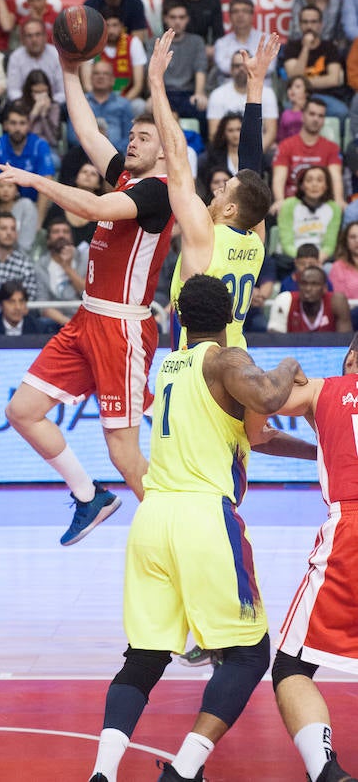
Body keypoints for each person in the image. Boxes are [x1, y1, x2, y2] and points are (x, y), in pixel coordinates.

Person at [87, 274, 306, 782]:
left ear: (178, 318)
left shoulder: (170, 367)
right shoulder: (224, 360)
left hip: (153, 518)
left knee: (144, 656)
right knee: (250, 655)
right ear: (230, 315)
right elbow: (271, 398)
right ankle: (184, 770)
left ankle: (103, 772)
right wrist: (290, 363)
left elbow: (260, 433)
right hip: (203, 517)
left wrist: (319, 455)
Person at [0, 55, 175, 541]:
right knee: (22, 411)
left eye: (143, 139)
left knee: (123, 451)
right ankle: (89, 495)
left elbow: (92, 206)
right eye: (131, 136)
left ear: (163, 153)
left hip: (123, 328)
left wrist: (34, 181)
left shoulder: (158, 191)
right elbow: (88, 129)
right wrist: (68, 67)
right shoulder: (128, 176)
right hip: (87, 320)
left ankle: (176, 533)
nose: (132, 143)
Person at [265, 334, 358, 782]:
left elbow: (257, 407)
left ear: (352, 356)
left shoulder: (325, 387)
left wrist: (286, 368)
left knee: (291, 664)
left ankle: (326, 769)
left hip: (350, 530)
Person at [149, 28, 277, 347]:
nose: (215, 191)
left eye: (223, 190)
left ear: (231, 208)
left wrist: (155, 83)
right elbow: (250, 173)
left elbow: (178, 158)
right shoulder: (257, 242)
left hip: (196, 366)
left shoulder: (204, 233)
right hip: (236, 356)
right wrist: (255, 86)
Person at [0, 100, 55, 224]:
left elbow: (46, 186)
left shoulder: (39, 145)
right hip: (2, 207)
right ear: (5, 125)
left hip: (33, 205)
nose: (17, 128)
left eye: (22, 123)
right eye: (13, 123)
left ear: (28, 126)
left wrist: (38, 222)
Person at [271, 97, 344, 214]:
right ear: (302, 116)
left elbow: (335, 177)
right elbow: (279, 177)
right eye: (312, 114)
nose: (316, 119)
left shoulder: (332, 147)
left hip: (322, 205)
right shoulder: (286, 146)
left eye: (320, 116)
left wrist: (339, 199)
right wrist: (279, 200)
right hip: (292, 204)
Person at [283, 5, 348, 126]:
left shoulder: (329, 47)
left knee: (342, 112)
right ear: (300, 24)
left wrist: (303, 84)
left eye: (313, 22)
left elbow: (333, 79)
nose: (309, 26)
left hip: (327, 96)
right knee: (288, 111)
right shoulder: (292, 47)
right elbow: (294, 77)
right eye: (305, 22)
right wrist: (306, 47)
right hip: (298, 97)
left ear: (320, 24)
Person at [153, 0, 207, 140]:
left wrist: (199, 93)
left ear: (187, 19)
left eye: (182, 17)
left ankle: (201, 152)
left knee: (202, 107)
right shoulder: (156, 42)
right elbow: (151, 72)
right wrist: (153, 95)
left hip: (187, 95)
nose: (177, 21)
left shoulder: (197, 42)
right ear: (165, 18)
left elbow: (200, 69)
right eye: (173, 17)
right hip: (163, 92)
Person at [207, 50, 278, 153]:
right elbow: (214, 134)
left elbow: (271, 132)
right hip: (225, 153)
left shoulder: (268, 93)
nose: (241, 69)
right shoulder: (217, 95)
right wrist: (232, 157)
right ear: (230, 70)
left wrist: (254, 155)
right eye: (237, 66)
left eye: (245, 66)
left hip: (259, 150)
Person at [80, 7, 147, 115]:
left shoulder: (133, 43)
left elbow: (138, 85)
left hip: (127, 99)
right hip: (96, 100)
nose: (111, 30)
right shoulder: (92, 43)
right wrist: (102, 102)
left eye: (115, 25)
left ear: (121, 26)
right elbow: (87, 85)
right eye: (107, 25)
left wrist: (120, 103)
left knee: (140, 106)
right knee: (81, 105)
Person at [66, 60, 134, 156]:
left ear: (113, 80)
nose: (100, 76)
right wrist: (93, 141)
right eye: (96, 73)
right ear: (91, 78)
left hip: (115, 155)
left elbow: (129, 137)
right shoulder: (79, 101)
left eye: (105, 74)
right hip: (84, 154)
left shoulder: (123, 104)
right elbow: (72, 136)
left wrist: (110, 149)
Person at [277, 165, 342, 263]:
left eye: (319, 180)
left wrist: (318, 258)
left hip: (321, 259)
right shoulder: (288, 205)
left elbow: (329, 245)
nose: (314, 184)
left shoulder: (334, 208)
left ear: (326, 185)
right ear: (302, 185)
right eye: (309, 180)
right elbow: (287, 243)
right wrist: (304, 260)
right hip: (292, 258)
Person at [34, 217, 87, 328]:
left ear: (71, 238)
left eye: (65, 232)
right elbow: (42, 305)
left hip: (83, 318)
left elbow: (86, 292)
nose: (61, 235)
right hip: (55, 322)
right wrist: (69, 324)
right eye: (56, 232)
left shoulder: (84, 259)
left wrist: (67, 267)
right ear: (48, 239)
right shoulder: (40, 266)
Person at [267, 264, 352, 333]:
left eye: (314, 284)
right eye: (304, 283)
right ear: (298, 286)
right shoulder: (285, 300)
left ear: (325, 288)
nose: (308, 289)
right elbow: (275, 342)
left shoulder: (337, 301)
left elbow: (345, 342)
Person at [213, 0, 277, 87]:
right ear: (230, 16)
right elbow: (224, 67)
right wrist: (254, 65)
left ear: (252, 16)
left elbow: (269, 67)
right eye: (235, 11)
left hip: (261, 90)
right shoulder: (221, 43)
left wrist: (237, 66)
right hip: (229, 92)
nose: (240, 15)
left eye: (245, 11)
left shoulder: (267, 40)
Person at [0, 175, 38, 254]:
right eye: (1, 186)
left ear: (16, 189)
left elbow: (26, 240)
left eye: (10, 186)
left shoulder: (27, 206)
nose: (5, 190)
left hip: (20, 256)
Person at [0, 212, 38, 300]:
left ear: (17, 234)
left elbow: (30, 299)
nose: (9, 233)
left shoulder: (25, 264)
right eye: (3, 228)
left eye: (13, 229)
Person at [20, 68, 63, 160]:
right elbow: (20, 135)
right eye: (36, 92)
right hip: (24, 147)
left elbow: (53, 140)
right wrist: (34, 113)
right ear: (29, 92)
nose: (41, 96)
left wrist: (44, 116)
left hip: (48, 148)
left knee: (53, 160)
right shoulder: (20, 105)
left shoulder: (54, 107)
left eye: (44, 91)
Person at [329, 221, 358, 326]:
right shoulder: (338, 267)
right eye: (352, 237)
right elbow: (340, 300)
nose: (357, 241)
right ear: (346, 240)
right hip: (351, 317)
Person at [277, 75, 312, 143]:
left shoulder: (311, 111)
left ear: (306, 92)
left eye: (297, 87)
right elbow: (280, 137)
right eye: (290, 87)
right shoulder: (285, 114)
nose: (292, 89)